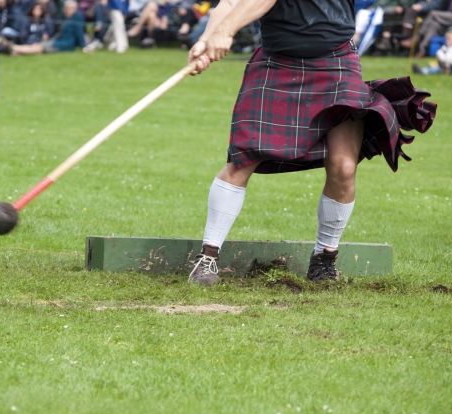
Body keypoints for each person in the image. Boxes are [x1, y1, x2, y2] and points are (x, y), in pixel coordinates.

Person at [186, 0, 436, 285]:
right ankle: (207, 258)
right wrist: (207, 39)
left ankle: (324, 260)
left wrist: (225, 31)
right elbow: (231, 1)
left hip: (336, 61)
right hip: (276, 61)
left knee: (344, 167)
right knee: (243, 158)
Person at [8, 0, 86, 55]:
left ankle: (14, 48)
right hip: (56, 40)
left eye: (70, 9)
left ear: (75, 9)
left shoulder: (77, 17)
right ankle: (15, 52)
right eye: (66, 9)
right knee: (39, 46)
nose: (68, 11)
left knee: (40, 47)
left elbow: (79, 32)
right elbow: (56, 27)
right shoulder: (63, 16)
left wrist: (83, 45)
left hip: (66, 43)